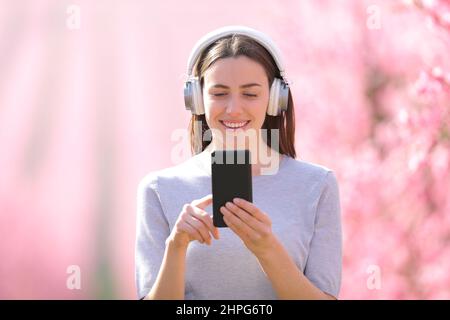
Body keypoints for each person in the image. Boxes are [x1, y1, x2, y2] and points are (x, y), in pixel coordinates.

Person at [135, 26, 342, 300]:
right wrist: (176, 246)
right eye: (219, 93)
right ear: (196, 99)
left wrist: (267, 249)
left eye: (250, 94)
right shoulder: (158, 189)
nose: (233, 108)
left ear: (274, 99)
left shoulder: (317, 185)